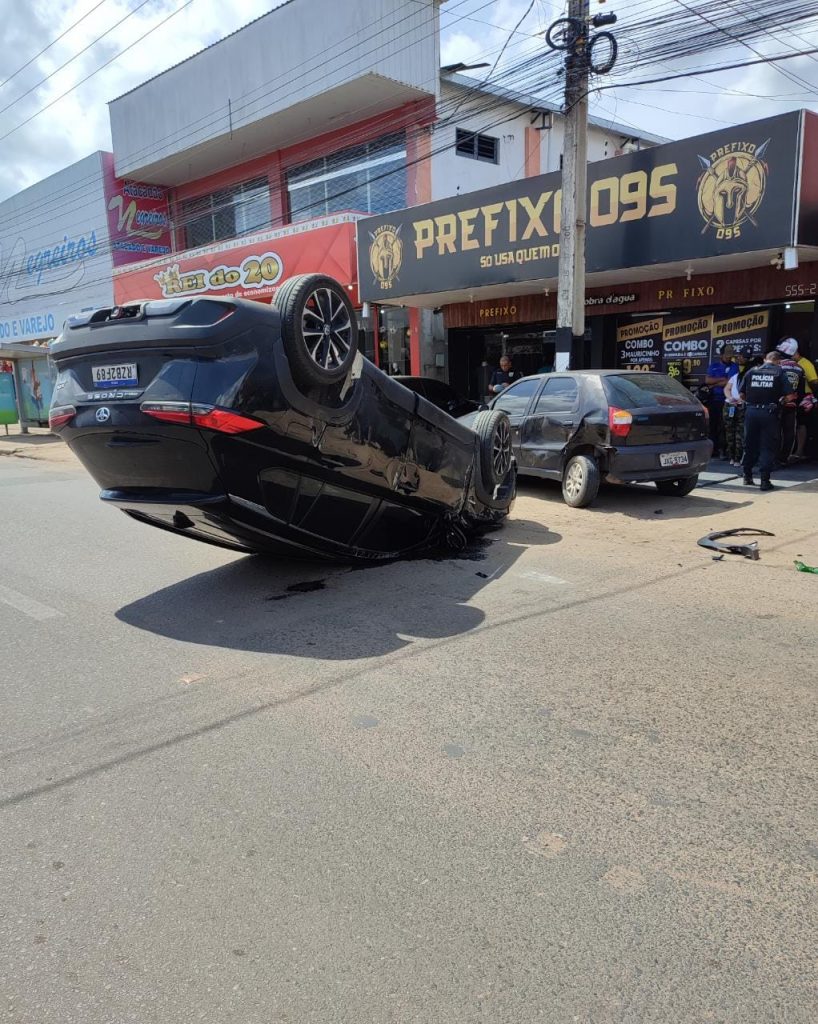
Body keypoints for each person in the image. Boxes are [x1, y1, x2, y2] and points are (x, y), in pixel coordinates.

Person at [740, 351, 796, 491]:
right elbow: (790, 395)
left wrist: (752, 403)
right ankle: (764, 481)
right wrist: (781, 402)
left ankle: (747, 477)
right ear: (778, 361)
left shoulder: (751, 371)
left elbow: (741, 394)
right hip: (769, 413)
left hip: (751, 412)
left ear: (766, 359)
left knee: (749, 444)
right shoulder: (779, 372)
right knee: (767, 446)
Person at [777, 338, 818, 459]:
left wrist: (813, 398)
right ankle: (783, 455)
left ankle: (798, 452)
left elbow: (815, 382)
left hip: (802, 397)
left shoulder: (805, 364)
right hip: (790, 397)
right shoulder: (789, 365)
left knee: (799, 425)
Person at [775, 340, 806, 463]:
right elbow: (801, 391)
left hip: (777, 404)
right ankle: (783, 458)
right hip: (792, 405)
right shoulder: (800, 368)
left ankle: (774, 457)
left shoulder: (778, 366)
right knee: (789, 433)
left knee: (775, 431)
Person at [704, 344, 737, 459]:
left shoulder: (734, 366)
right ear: (721, 354)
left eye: (730, 356)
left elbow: (729, 382)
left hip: (727, 400)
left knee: (724, 427)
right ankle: (714, 450)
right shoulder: (714, 365)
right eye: (726, 355)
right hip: (714, 400)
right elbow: (707, 380)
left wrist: (715, 384)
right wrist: (721, 379)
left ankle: (724, 450)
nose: (728, 358)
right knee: (713, 426)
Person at [722, 348, 753, 466]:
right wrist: (730, 398)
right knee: (730, 432)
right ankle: (731, 456)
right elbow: (727, 388)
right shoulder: (735, 376)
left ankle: (738, 458)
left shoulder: (749, 375)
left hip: (741, 406)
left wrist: (741, 400)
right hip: (730, 405)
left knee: (740, 433)